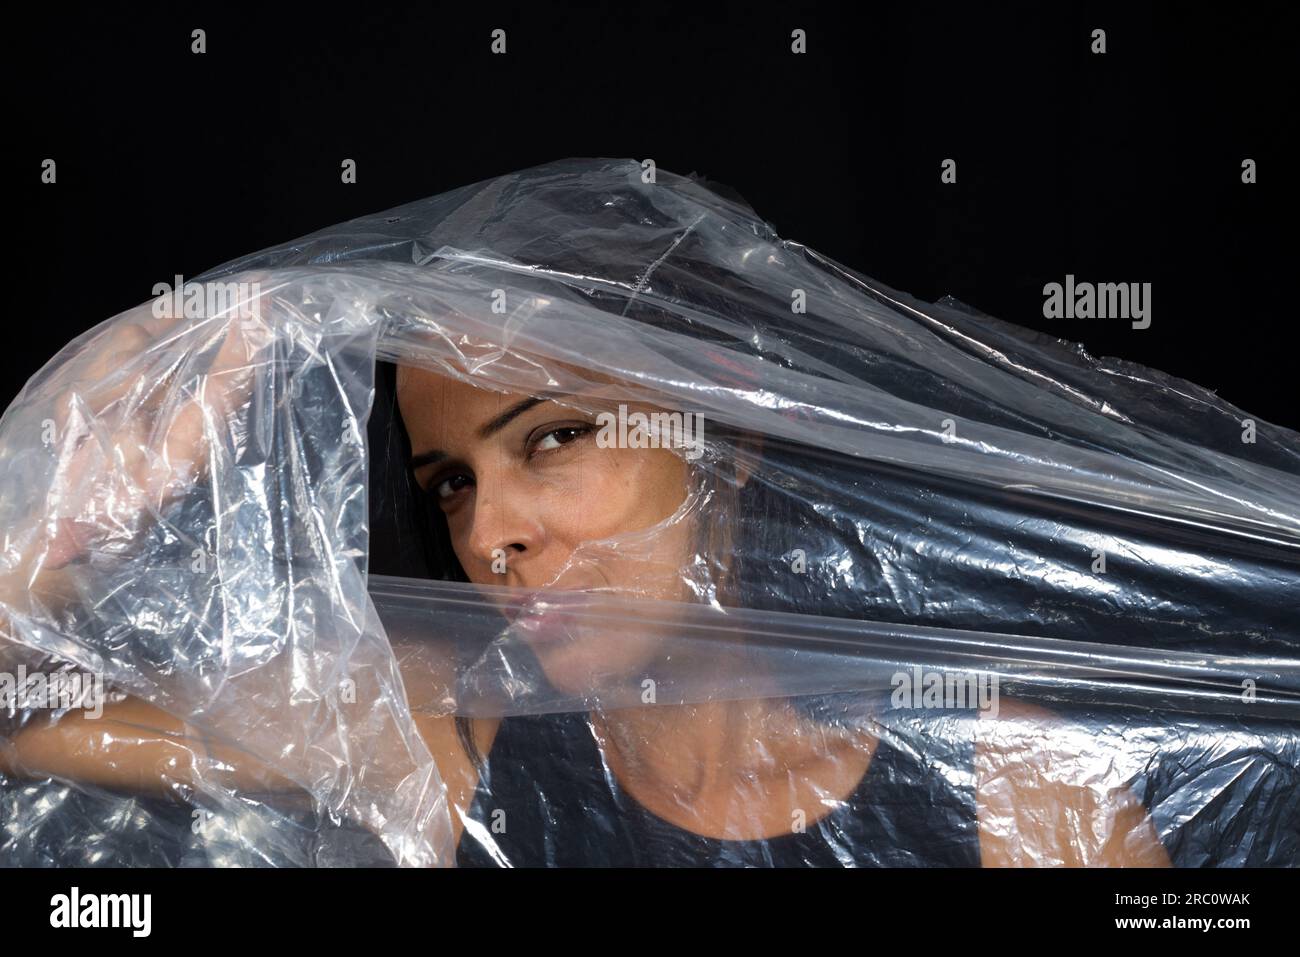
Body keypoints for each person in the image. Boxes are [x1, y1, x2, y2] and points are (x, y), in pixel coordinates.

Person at [0, 307, 1171, 866]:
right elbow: (22, 718)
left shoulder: (1010, 784)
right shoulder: (439, 731)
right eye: (448, 483)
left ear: (721, 441)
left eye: (552, 440)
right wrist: (52, 518)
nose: (488, 533)